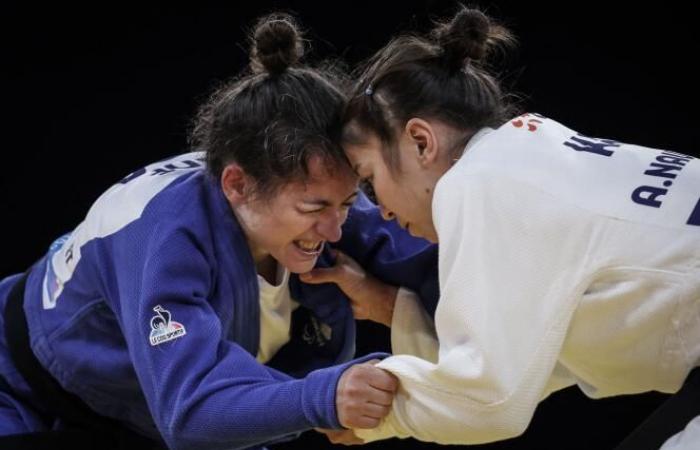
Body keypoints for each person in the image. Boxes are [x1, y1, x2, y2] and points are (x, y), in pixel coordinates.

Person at [0, 13, 439, 450]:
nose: (334, 227)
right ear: (236, 185)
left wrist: (389, 303)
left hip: (139, 417)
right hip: (25, 393)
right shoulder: (168, 234)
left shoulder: (323, 194)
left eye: (347, 202)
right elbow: (190, 411)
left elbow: (445, 276)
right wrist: (323, 397)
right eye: (314, 208)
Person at [300, 5, 700, 448]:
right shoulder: (527, 152)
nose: (384, 212)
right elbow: (530, 360)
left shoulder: (477, 182)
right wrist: (395, 309)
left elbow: (487, 401)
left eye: (369, 178)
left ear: (420, 142)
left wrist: (375, 413)